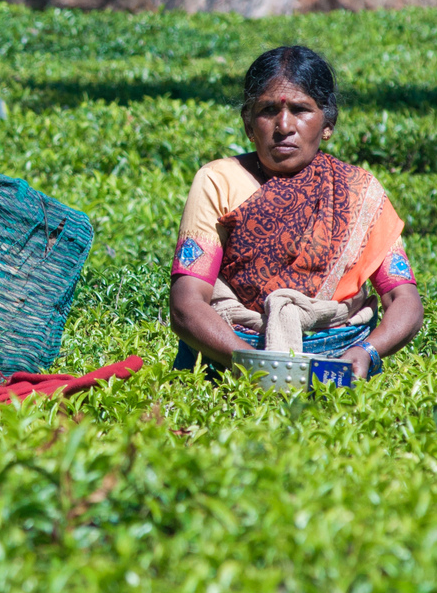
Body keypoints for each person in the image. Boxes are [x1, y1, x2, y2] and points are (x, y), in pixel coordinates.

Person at [169, 45, 423, 381]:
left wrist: (367, 352)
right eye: (268, 110)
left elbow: (403, 298)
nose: (284, 125)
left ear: (327, 123)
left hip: (339, 364)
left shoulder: (359, 191)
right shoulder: (220, 181)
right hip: (230, 361)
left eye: (301, 109)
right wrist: (251, 365)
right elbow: (187, 304)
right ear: (248, 123)